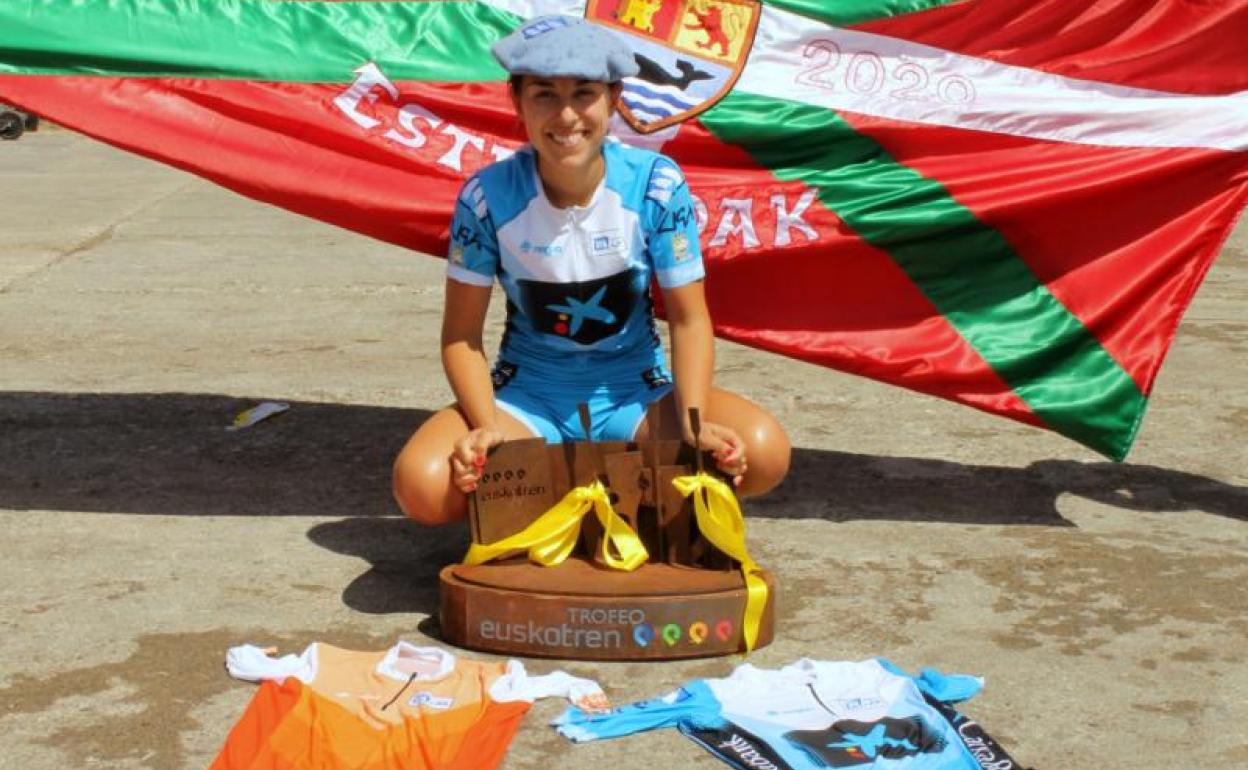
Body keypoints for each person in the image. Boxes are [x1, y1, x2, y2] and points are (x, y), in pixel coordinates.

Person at [393, 16, 789, 526]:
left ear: (614, 97)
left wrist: (692, 424)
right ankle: (574, 483)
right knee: (422, 487)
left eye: (584, 93)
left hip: (637, 393)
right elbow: (462, 338)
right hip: (528, 396)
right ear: (515, 100)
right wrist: (487, 426)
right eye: (543, 95)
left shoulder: (657, 186)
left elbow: (690, 321)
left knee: (763, 453)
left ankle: (576, 486)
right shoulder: (486, 197)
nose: (565, 115)